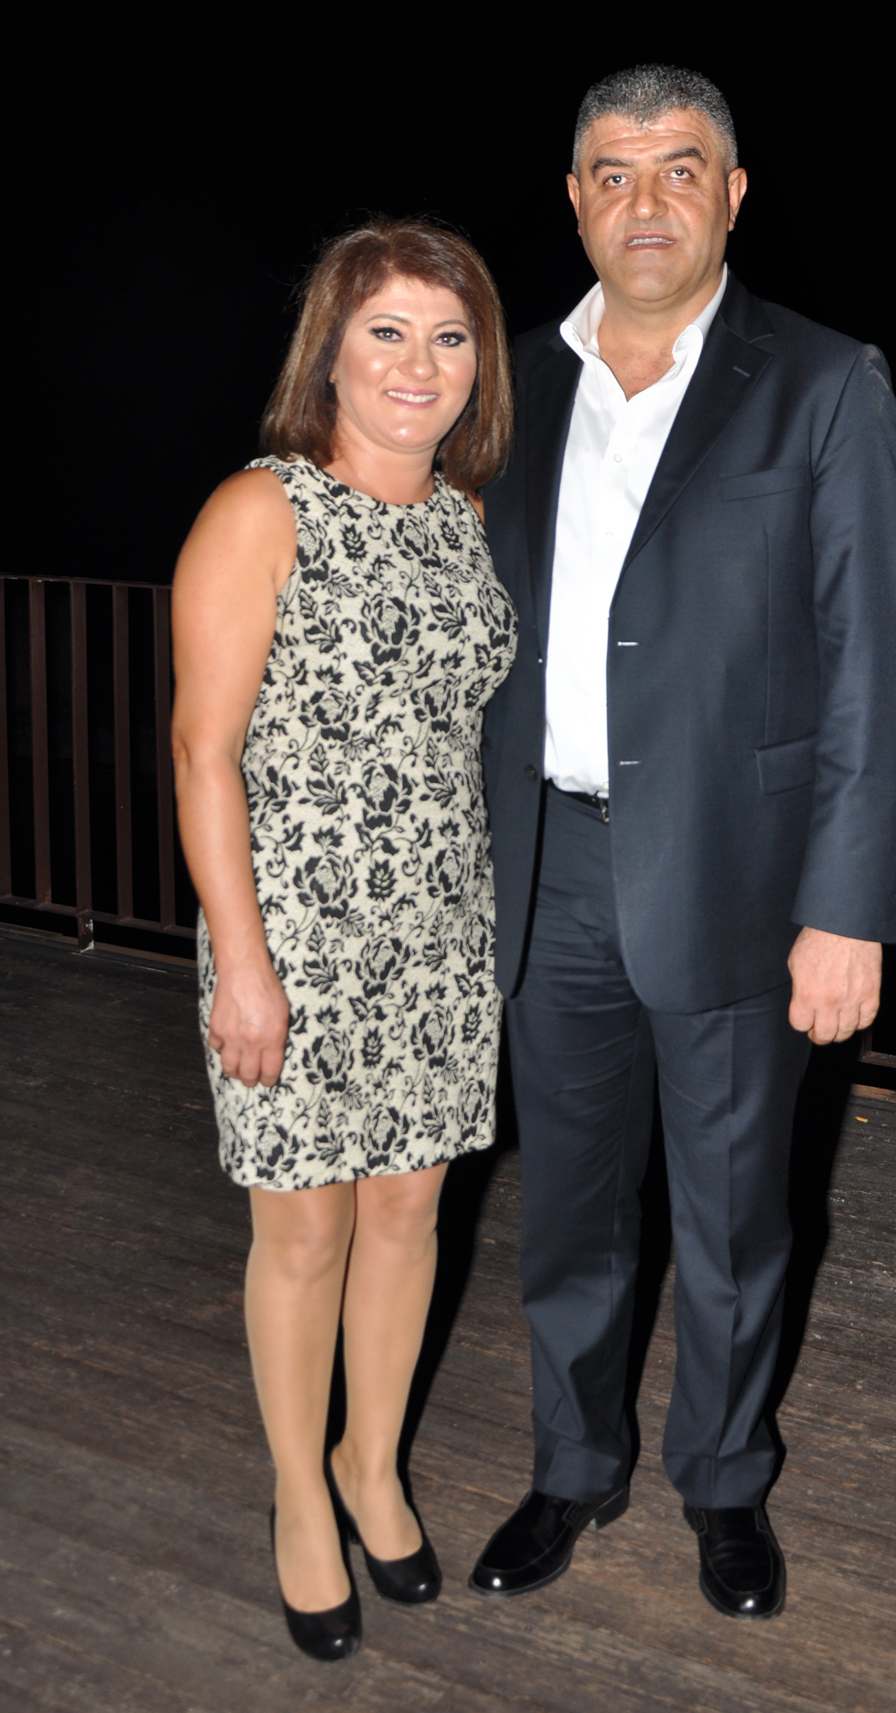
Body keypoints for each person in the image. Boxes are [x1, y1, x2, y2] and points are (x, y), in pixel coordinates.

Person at [471, 66, 896, 1620]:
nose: (646, 200)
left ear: (732, 195)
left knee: (734, 1215)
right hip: (550, 868)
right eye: (613, 171)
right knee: (569, 1206)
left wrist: (847, 905)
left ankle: (724, 1482)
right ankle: (571, 1463)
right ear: (576, 201)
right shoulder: (511, 384)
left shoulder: (826, 383)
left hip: (740, 879)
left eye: (681, 168)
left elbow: (876, 665)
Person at [171, 219, 516, 1660]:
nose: (417, 364)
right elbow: (203, 753)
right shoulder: (262, 510)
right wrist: (242, 964)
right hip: (295, 932)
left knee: (408, 1216)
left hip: (440, 927)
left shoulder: (467, 518)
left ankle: (373, 1466)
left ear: (479, 365)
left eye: (449, 336)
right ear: (330, 350)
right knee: (304, 1231)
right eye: (386, 331)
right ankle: (299, 1496)